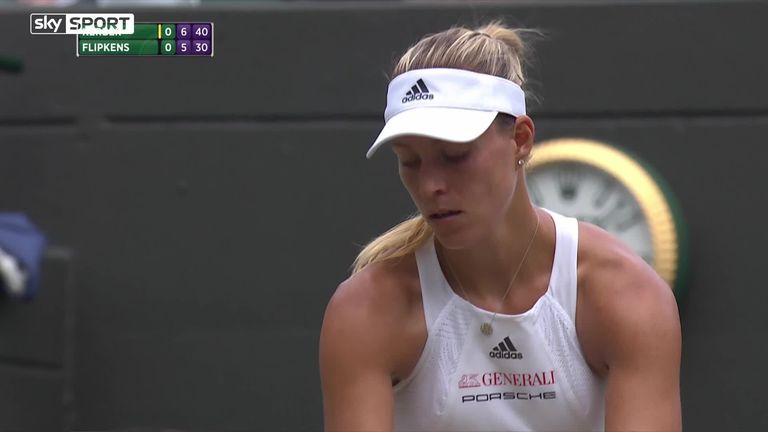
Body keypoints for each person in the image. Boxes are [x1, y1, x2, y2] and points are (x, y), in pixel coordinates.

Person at [320, 21, 681, 432]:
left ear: (521, 140)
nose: (430, 184)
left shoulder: (625, 291)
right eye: (410, 160)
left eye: (455, 155)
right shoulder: (365, 310)